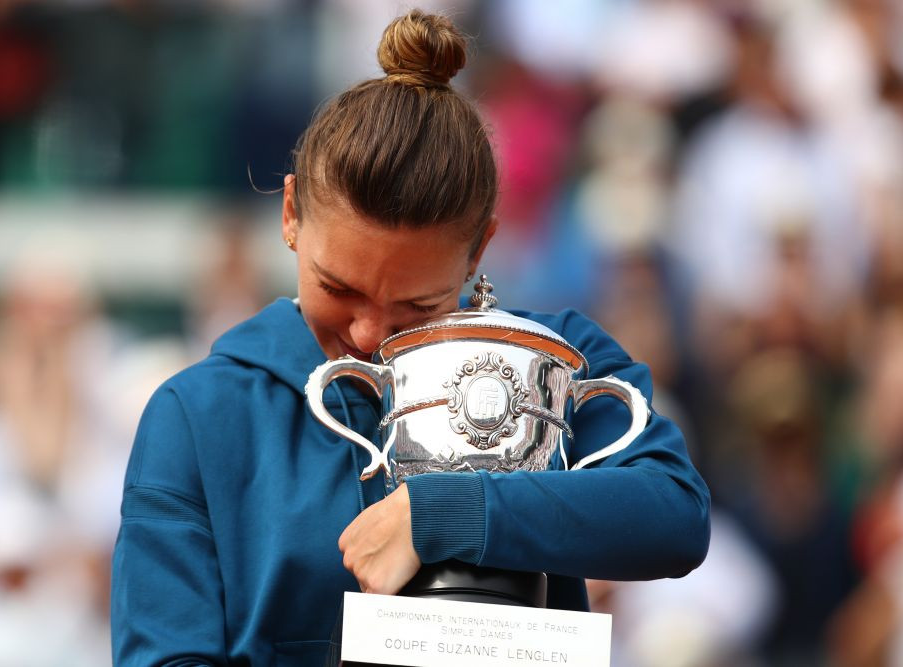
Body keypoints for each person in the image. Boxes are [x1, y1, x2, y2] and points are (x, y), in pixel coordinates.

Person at [110, 10, 710, 666]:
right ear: (289, 214)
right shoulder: (199, 414)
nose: (367, 333)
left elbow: (675, 514)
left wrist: (448, 513)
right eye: (338, 288)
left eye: (416, 307)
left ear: (479, 249)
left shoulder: (554, 359)